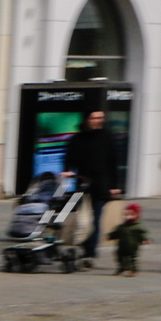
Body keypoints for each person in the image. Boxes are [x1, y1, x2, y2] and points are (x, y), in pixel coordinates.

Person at [62, 106, 121, 268]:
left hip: (102, 185)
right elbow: (69, 158)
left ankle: (90, 253)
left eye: (100, 118)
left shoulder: (106, 137)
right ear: (87, 120)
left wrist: (115, 186)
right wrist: (67, 171)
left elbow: (113, 162)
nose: (98, 121)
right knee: (83, 220)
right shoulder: (77, 139)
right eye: (94, 118)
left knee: (95, 220)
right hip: (83, 184)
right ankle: (83, 244)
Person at [111, 202, 148, 276]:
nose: (127, 216)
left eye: (130, 214)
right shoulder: (122, 226)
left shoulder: (137, 226)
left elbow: (143, 233)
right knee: (120, 256)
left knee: (132, 259)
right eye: (125, 214)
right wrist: (110, 236)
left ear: (136, 215)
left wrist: (144, 239)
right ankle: (122, 268)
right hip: (122, 245)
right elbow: (117, 233)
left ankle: (133, 270)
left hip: (132, 246)